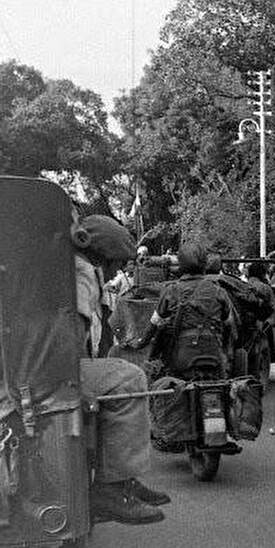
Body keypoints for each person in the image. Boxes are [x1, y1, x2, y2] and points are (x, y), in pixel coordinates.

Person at [76, 215, 169, 526]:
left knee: (119, 371)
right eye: (118, 262)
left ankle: (123, 479)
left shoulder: (86, 271)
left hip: (64, 363)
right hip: (61, 367)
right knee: (129, 378)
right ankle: (111, 487)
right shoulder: (82, 273)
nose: (120, 270)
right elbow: (72, 333)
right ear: (105, 255)